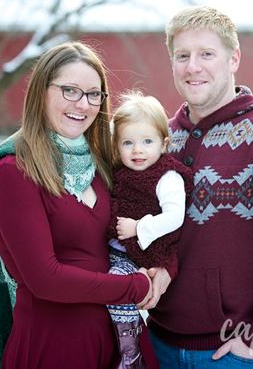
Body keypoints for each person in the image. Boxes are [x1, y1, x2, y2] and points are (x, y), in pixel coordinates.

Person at [144, 6, 253, 368]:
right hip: (159, 344)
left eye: (206, 54)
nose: (193, 66)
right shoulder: (162, 138)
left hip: (238, 353)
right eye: (183, 56)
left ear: (233, 59)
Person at [0, 41, 160, 369]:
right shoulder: (15, 170)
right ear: (41, 91)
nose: (83, 105)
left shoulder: (102, 166)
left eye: (93, 94)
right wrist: (134, 286)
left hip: (116, 342)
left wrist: (160, 267)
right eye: (70, 91)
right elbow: (46, 279)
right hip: (52, 346)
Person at [104, 91, 194, 369]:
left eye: (146, 141)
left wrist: (138, 227)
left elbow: (174, 218)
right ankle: (111, 349)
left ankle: (130, 354)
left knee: (116, 291)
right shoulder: (118, 172)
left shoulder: (167, 176)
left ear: (163, 143)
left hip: (144, 253)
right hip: (117, 251)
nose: (137, 150)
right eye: (128, 142)